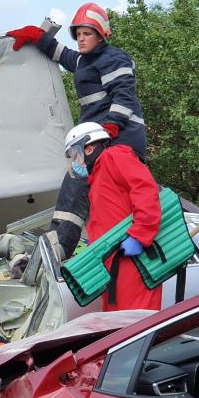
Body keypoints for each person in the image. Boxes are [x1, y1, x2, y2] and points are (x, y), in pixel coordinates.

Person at [7, 3, 147, 260]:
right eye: (78, 34)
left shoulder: (114, 58)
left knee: (75, 185)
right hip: (100, 140)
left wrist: (108, 129)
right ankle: (60, 248)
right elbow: (63, 55)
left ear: (101, 34)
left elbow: (124, 99)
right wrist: (38, 38)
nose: (81, 39)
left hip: (118, 140)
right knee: (84, 190)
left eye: (87, 34)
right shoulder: (86, 60)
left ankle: (58, 250)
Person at [64, 122, 162, 311]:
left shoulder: (113, 157)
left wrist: (139, 235)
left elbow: (145, 190)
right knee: (119, 327)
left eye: (75, 155)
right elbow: (108, 218)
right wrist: (95, 245)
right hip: (115, 263)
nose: (76, 162)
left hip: (134, 263)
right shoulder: (99, 175)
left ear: (89, 148)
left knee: (135, 325)